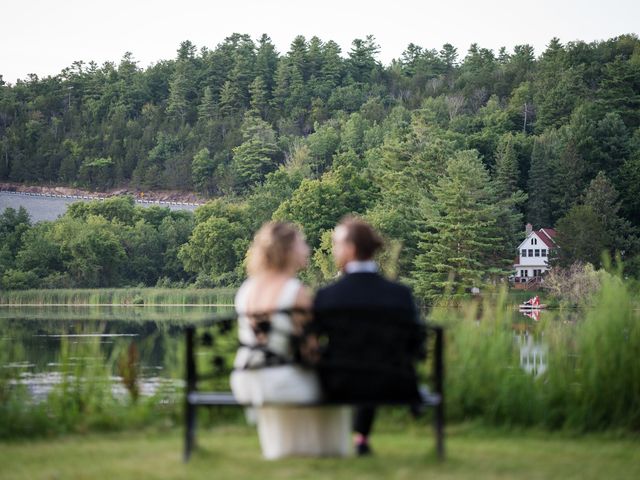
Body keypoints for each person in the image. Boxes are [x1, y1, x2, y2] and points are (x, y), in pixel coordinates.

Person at [230, 221, 351, 459]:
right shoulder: (295, 291)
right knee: (334, 386)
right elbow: (310, 349)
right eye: (301, 244)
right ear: (287, 251)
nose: (306, 249)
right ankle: (326, 451)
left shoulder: (246, 288)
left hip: (245, 378)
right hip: (279, 380)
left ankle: (283, 451)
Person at [313, 216, 420, 456]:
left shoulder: (327, 296)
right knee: (372, 361)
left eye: (336, 245)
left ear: (350, 249)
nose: (334, 251)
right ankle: (360, 439)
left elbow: (312, 340)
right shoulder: (399, 295)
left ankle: (341, 440)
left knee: (356, 364)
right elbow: (416, 343)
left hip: (338, 384)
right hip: (394, 383)